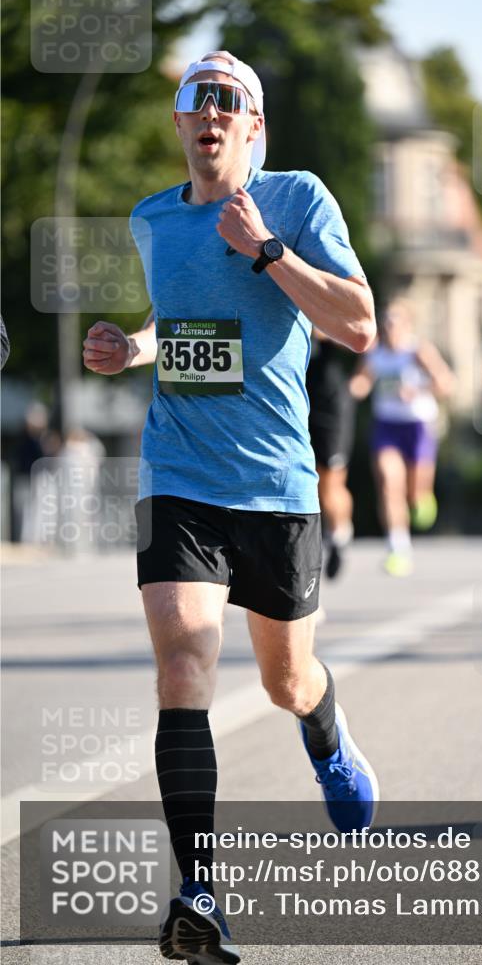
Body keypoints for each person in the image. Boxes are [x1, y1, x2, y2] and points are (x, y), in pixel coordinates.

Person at [82, 50, 378, 965]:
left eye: (229, 100)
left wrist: (268, 252)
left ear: (253, 127)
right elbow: (185, 326)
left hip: (276, 485)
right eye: (194, 98)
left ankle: (326, 734)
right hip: (178, 475)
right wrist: (127, 347)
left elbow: (359, 323)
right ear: (179, 124)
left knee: (286, 681)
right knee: (183, 663)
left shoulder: (296, 200)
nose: (209, 111)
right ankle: (200, 893)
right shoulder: (151, 222)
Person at [350, 300, 454, 576]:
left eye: (396, 322)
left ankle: (422, 497)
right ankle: (398, 546)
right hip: (387, 426)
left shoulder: (418, 351)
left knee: (414, 492)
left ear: (408, 326)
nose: (390, 327)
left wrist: (419, 389)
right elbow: (361, 382)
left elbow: (446, 384)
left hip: (418, 426)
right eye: (386, 322)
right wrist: (352, 389)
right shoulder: (375, 354)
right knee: (388, 482)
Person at [306, 328, 356, 579]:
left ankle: (339, 536)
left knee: (330, 482)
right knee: (310, 481)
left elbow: (361, 338)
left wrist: (325, 331)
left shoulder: (315, 299)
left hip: (331, 407)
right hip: (298, 402)